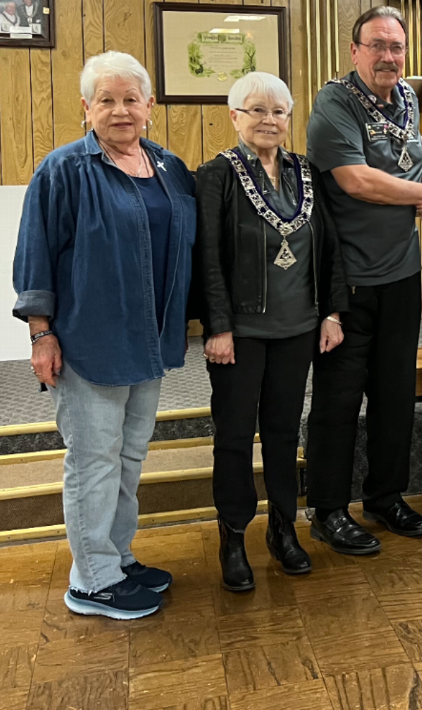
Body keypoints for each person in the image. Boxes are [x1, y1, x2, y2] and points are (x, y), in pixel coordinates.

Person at [12, 52, 197, 620]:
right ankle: (91, 580)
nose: (120, 110)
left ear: (149, 105)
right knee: (93, 460)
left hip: (149, 339)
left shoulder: (168, 166)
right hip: (89, 341)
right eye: (107, 100)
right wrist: (41, 333)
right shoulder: (63, 169)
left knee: (130, 456)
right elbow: (35, 254)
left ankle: (114, 556)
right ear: (87, 107)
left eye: (131, 99)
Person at [197, 72, 349, 591]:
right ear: (235, 115)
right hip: (238, 334)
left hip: (298, 329)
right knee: (236, 437)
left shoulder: (306, 173)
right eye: (256, 110)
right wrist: (216, 326)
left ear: (289, 118)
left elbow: (328, 249)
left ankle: (283, 530)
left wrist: (332, 312)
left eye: (279, 111)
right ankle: (233, 537)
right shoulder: (216, 175)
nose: (269, 120)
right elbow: (209, 260)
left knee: (284, 435)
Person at [305, 6, 422, 553]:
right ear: (355, 49)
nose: (389, 56)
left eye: (397, 47)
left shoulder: (405, 97)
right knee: (339, 400)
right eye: (377, 46)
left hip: (402, 275)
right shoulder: (334, 102)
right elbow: (357, 180)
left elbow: (417, 149)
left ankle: (385, 496)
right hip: (348, 281)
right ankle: (328, 510)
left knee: (394, 395)